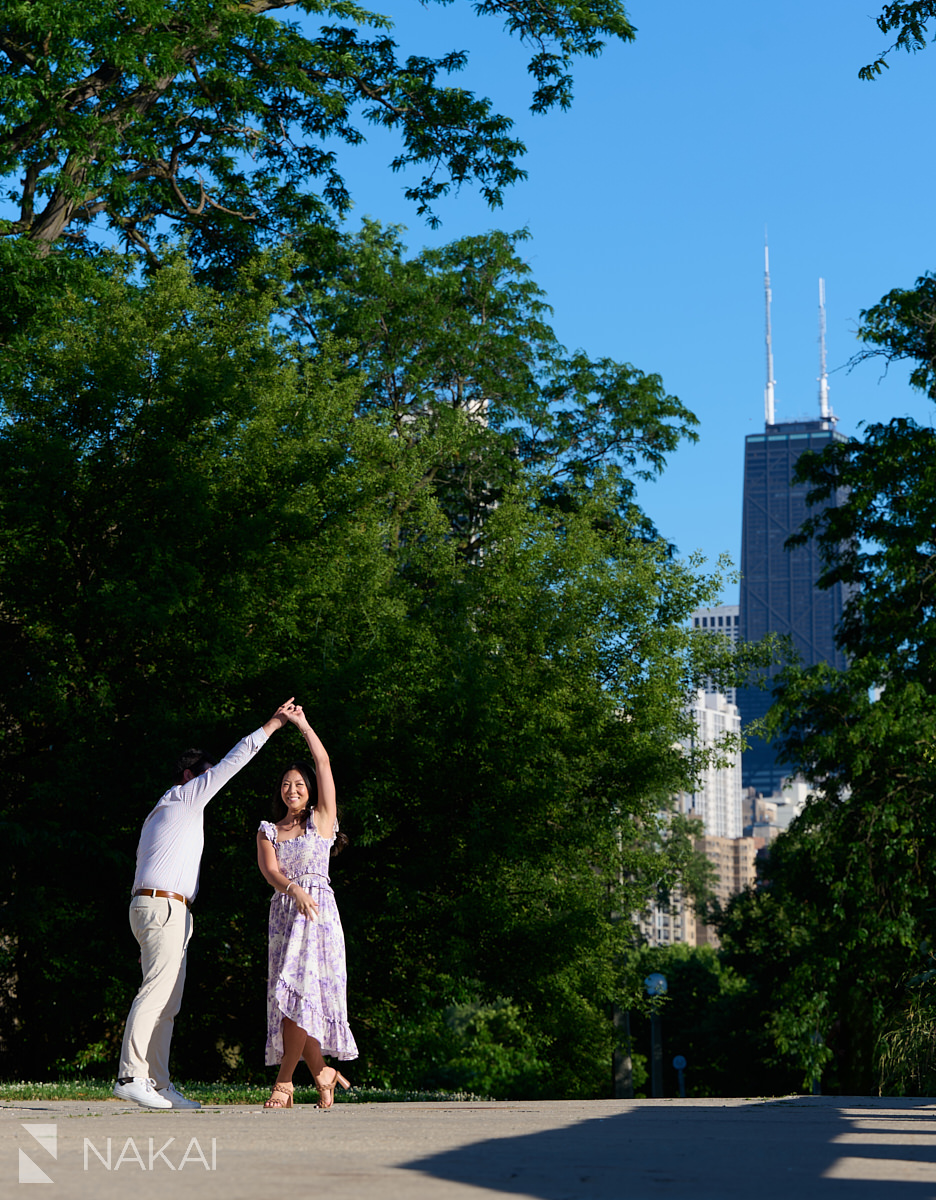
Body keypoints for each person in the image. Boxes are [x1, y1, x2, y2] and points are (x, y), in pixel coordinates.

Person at [114, 698, 298, 1109]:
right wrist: (274, 723)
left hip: (166, 909)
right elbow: (236, 760)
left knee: (169, 1000)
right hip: (162, 908)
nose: (211, 779)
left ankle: (158, 1084)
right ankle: (130, 1075)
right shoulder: (183, 798)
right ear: (188, 776)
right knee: (156, 991)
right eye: (205, 774)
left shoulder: (168, 810)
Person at [257, 706, 358, 1108]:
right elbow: (270, 871)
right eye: (285, 784)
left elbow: (323, 761)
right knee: (293, 998)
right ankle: (321, 1072)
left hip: (318, 917)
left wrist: (301, 724)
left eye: (298, 783)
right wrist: (292, 889)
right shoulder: (270, 830)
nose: (292, 789)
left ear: (310, 789)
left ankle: (285, 1083)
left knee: (302, 996)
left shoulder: (323, 821)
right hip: (286, 917)